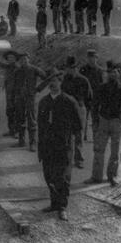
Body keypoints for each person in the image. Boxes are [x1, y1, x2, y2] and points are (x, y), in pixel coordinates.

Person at [85, 61, 121, 186]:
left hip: (116, 123)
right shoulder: (101, 88)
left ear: (118, 74)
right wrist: (95, 121)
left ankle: (112, 176)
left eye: (114, 72)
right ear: (107, 74)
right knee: (99, 150)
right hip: (103, 122)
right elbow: (94, 106)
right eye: (109, 73)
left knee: (115, 152)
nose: (112, 75)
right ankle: (96, 177)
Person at [37, 68, 82, 221]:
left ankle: (62, 207)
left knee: (62, 177)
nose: (52, 84)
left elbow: (78, 126)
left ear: (60, 83)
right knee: (48, 175)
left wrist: (72, 146)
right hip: (47, 146)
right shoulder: (43, 102)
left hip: (63, 147)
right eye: (50, 82)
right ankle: (54, 203)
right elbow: (40, 127)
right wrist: (40, 148)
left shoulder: (69, 101)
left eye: (55, 81)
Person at [61, 56, 92, 168]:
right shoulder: (65, 80)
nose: (70, 70)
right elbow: (62, 95)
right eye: (68, 68)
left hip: (80, 109)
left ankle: (79, 160)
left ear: (76, 68)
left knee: (78, 135)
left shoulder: (83, 80)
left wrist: (84, 110)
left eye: (73, 68)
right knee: (67, 135)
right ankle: (67, 158)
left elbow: (89, 97)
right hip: (67, 110)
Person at [13, 52, 47, 151]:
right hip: (19, 98)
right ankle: (21, 140)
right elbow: (14, 85)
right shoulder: (17, 71)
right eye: (22, 59)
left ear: (29, 59)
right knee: (20, 118)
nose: (24, 61)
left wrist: (38, 89)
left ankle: (33, 143)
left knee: (31, 119)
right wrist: (15, 96)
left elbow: (46, 78)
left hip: (30, 98)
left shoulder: (34, 69)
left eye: (25, 59)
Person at [0, 42, 18, 137]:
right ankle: (12, 131)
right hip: (9, 93)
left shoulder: (18, 68)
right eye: (9, 58)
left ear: (15, 59)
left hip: (16, 94)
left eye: (12, 58)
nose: (10, 59)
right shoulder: (8, 67)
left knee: (16, 112)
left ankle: (16, 132)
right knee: (9, 112)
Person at [79, 49, 104, 140]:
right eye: (89, 58)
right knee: (83, 117)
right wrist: (80, 98)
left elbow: (102, 85)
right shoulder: (83, 69)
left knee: (95, 118)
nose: (91, 60)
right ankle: (83, 135)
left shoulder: (100, 71)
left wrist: (101, 98)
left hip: (95, 98)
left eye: (93, 58)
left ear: (96, 58)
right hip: (85, 97)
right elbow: (80, 84)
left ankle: (95, 136)